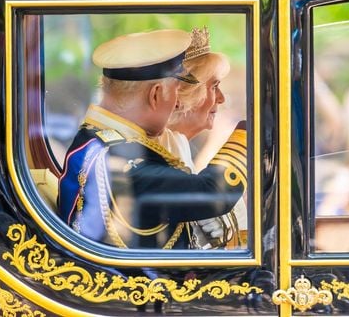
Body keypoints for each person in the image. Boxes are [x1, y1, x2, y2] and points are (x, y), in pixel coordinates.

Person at [57, 29, 247, 249]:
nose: (177, 102)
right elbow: (212, 194)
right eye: (176, 90)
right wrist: (249, 134)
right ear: (156, 94)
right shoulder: (121, 161)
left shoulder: (100, 139)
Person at [158, 26, 248, 248]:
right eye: (214, 87)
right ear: (180, 96)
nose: (221, 98)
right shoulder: (157, 158)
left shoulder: (180, 150)